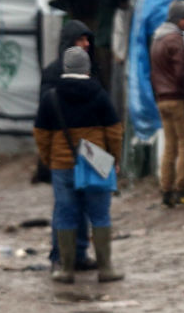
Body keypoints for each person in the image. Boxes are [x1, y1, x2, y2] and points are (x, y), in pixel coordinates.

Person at [33, 47, 124, 284]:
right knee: (100, 215)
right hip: (96, 162)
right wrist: (114, 158)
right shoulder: (99, 94)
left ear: (65, 67)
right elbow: (114, 131)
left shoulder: (51, 97)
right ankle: (105, 269)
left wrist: (49, 158)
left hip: (62, 165)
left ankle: (66, 270)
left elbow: (41, 134)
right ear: (87, 67)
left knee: (65, 214)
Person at [39, 20, 104, 272]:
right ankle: (60, 257)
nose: (86, 44)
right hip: (64, 152)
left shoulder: (92, 71)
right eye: (81, 39)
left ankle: (78, 254)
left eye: (88, 39)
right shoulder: (53, 73)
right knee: (65, 207)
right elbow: (44, 119)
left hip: (88, 151)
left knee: (85, 206)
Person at [150, 0, 184, 207]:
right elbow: (182, 73)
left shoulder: (157, 39)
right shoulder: (175, 40)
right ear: (179, 19)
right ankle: (182, 190)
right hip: (178, 100)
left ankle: (166, 190)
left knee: (170, 146)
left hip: (162, 100)